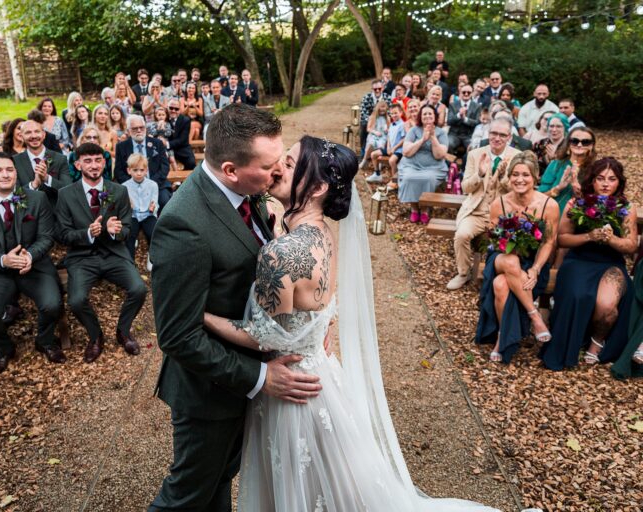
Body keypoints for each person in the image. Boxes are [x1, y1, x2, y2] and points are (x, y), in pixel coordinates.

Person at [197, 134, 501, 511]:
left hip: (292, 392)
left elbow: (262, 336)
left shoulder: (281, 254)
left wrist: (201, 315)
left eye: (290, 164)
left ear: (319, 186)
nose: (278, 169)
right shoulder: (322, 233)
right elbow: (309, 306)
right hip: (322, 376)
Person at [148, 103, 306, 511]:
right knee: (186, 496)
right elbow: (178, 336)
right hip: (208, 394)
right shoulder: (183, 226)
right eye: (269, 166)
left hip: (238, 384)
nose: (279, 172)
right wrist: (258, 376)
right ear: (231, 168)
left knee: (220, 479)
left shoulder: (246, 191)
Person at [0, 152, 66, 377]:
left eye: (9, 169)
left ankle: (45, 340)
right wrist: (3, 260)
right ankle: (4, 347)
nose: (5, 174)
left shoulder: (36, 199)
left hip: (34, 265)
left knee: (52, 305)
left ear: (16, 172)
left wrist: (30, 256)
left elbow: (46, 236)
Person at [541, 158, 637, 370]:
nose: (605, 184)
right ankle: (570, 341)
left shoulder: (626, 208)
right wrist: (590, 236)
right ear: (592, 181)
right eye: (600, 178)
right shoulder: (577, 203)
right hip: (579, 261)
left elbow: (631, 246)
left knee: (606, 305)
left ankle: (597, 341)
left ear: (618, 183)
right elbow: (562, 239)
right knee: (577, 295)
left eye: (612, 179)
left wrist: (611, 239)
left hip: (610, 263)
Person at [55, 142, 147, 363]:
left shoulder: (118, 190)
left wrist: (116, 232)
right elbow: (62, 234)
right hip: (82, 258)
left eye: (98, 160)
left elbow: (126, 229)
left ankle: (123, 331)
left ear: (104, 162)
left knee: (139, 289)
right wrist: (87, 233)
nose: (94, 165)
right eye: (87, 161)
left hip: (114, 253)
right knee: (76, 300)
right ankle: (95, 337)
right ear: (77, 164)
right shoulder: (66, 194)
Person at [475, 152, 559, 363]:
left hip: (532, 260)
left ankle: (502, 337)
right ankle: (535, 316)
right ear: (509, 177)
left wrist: (536, 268)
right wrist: (506, 241)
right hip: (502, 256)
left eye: (525, 175)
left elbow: (548, 241)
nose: (519, 179)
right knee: (511, 261)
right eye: (515, 174)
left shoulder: (549, 205)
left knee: (501, 285)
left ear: (535, 177)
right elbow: (492, 239)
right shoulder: (499, 204)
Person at [446, 118, 520, 290]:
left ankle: (500, 274)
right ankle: (463, 273)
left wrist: (502, 177)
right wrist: (479, 173)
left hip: (503, 214)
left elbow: (517, 189)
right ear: (488, 133)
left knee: (512, 241)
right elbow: (465, 187)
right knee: (462, 235)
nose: (497, 138)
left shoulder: (516, 156)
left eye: (502, 135)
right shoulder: (475, 154)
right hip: (476, 211)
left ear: (509, 137)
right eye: (494, 133)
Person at [397, 105, 449, 224]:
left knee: (428, 178)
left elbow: (439, 155)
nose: (427, 116)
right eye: (424, 114)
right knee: (409, 178)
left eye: (430, 113)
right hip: (411, 165)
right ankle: (414, 208)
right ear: (420, 116)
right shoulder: (413, 131)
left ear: (434, 116)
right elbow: (406, 152)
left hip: (434, 167)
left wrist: (432, 137)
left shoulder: (441, 133)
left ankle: (425, 209)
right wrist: (422, 140)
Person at [537, 126, 597, 215]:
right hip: (552, 216)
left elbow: (599, 201)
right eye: (575, 141)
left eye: (585, 142)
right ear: (568, 143)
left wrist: (578, 191)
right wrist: (558, 188)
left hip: (581, 219)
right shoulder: (555, 165)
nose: (579, 145)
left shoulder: (595, 169)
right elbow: (539, 198)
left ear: (592, 145)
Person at [116, 114, 171, 209]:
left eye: (141, 127)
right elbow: (118, 171)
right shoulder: (121, 147)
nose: (139, 130)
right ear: (128, 131)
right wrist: (132, 184)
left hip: (157, 184)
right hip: (131, 187)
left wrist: (150, 184)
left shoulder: (157, 143)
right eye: (134, 128)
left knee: (164, 201)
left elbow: (165, 167)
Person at [13, 120, 71, 205]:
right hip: (27, 214)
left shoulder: (60, 159)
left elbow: (68, 191)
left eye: (37, 131)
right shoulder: (14, 161)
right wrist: (34, 185)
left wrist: (47, 179)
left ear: (44, 134)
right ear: (21, 137)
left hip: (55, 214)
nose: (33, 136)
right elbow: (15, 196)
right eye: (28, 132)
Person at [122, 153, 157, 262]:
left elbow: (155, 201)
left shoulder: (152, 185)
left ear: (146, 171)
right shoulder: (124, 186)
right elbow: (124, 205)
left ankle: (152, 257)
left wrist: (153, 207)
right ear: (129, 171)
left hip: (148, 214)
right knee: (129, 234)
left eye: (142, 170)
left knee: (153, 232)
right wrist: (128, 206)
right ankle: (130, 261)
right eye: (135, 170)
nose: (139, 173)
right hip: (133, 215)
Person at [368, 103, 406, 187]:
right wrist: (388, 147)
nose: (394, 115)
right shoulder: (392, 124)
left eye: (396, 113)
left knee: (392, 161)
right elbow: (389, 137)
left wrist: (394, 148)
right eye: (392, 113)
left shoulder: (402, 125)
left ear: (401, 113)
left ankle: (395, 181)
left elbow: (404, 139)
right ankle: (377, 174)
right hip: (390, 148)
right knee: (373, 154)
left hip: (399, 150)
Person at [447, 83, 481, 155]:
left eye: (468, 92)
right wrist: (459, 115)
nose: (466, 94)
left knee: (474, 148)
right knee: (448, 144)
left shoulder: (477, 106)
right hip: (454, 134)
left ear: (472, 93)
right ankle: (451, 164)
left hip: (469, 135)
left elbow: (477, 122)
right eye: (464, 92)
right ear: (460, 93)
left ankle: (467, 164)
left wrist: (465, 119)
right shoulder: (453, 105)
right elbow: (449, 121)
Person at [358, 79, 389, 153]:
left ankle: (384, 149)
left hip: (384, 119)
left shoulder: (387, 97)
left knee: (388, 127)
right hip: (370, 120)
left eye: (379, 88)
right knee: (364, 124)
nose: (377, 90)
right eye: (375, 89)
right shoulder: (366, 97)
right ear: (372, 89)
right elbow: (363, 113)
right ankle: (363, 150)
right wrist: (372, 120)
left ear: (383, 88)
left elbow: (389, 112)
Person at [359, 100, 389, 172]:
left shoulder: (387, 118)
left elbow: (389, 128)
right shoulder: (373, 117)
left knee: (381, 145)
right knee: (371, 143)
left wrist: (387, 130)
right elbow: (368, 129)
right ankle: (365, 160)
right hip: (374, 134)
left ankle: (379, 163)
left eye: (384, 109)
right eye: (380, 109)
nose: (382, 111)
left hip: (383, 136)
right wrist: (375, 132)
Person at [167, 99, 197, 170]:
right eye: (171, 108)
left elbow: (183, 139)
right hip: (166, 149)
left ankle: (186, 180)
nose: (173, 110)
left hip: (182, 148)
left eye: (176, 109)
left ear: (180, 110)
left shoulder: (185, 120)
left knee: (191, 162)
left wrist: (167, 144)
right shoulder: (163, 117)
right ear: (167, 107)